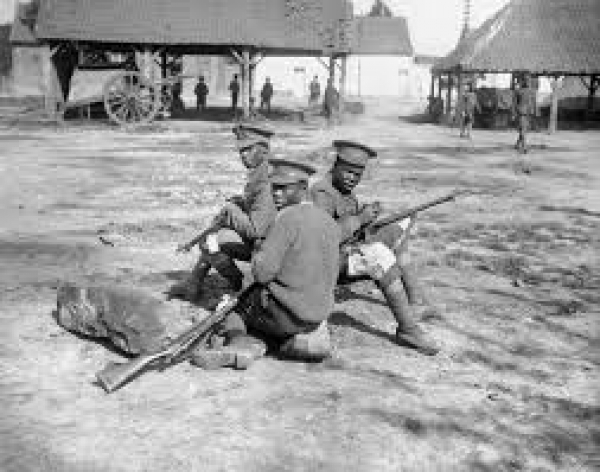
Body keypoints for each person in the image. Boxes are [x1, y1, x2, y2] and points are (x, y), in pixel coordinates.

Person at [190, 159, 341, 369]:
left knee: (233, 305)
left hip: (287, 314)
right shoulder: (329, 222)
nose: (277, 194)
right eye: (274, 188)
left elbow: (262, 273)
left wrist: (260, 251)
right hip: (318, 313)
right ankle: (292, 341)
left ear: (303, 188)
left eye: (284, 189)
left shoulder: (287, 219)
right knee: (266, 313)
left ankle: (238, 345)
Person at [310, 140, 439, 356]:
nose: (352, 178)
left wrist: (370, 220)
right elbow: (323, 239)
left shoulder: (346, 192)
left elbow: (353, 229)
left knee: (400, 226)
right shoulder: (321, 193)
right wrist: (360, 219)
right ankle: (407, 329)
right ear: (336, 165)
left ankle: (416, 300)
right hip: (328, 265)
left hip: (346, 251)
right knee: (379, 257)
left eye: (358, 175)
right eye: (348, 172)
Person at [167, 125, 277, 302]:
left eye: (248, 149)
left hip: (266, 248)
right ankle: (194, 283)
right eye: (241, 150)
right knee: (212, 235)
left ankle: (240, 286)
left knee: (209, 242)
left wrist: (231, 211)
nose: (242, 155)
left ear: (263, 150)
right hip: (263, 242)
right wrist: (240, 203)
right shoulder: (261, 172)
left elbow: (257, 231)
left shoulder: (265, 181)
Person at [513, 74, 536, 154]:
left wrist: (536, 111)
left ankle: (517, 144)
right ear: (522, 81)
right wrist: (514, 113)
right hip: (521, 112)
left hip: (529, 113)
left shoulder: (532, 91)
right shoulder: (518, 91)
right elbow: (514, 103)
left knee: (525, 129)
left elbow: (534, 102)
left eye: (528, 80)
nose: (527, 81)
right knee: (523, 129)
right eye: (525, 80)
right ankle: (524, 147)